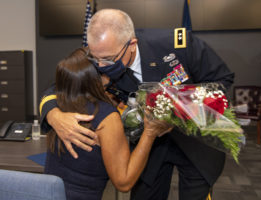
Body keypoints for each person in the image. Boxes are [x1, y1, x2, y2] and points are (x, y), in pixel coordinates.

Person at [39, 9, 235, 200]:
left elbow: (223, 81)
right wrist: (53, 114)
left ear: (132, 44)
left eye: (108, 60)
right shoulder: (102, 52)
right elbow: (62, 85)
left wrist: (177, 110)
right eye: (95, 59)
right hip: (150, 147)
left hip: (196, 143)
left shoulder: (177, 46)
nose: (100, 67)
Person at [44, 48, 172, 200]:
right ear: (100, 77)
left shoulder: (60, 103)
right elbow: (123, 183)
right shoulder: (106, 117)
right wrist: (150, 133)